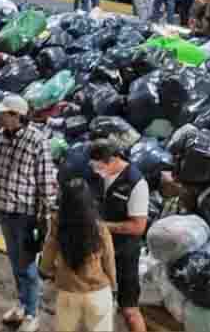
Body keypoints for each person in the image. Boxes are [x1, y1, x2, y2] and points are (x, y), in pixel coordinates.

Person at [0, 95, 57, 332]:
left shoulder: (37, 141)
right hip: (4, 209)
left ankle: (31, 313)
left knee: (27, 265)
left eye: (4, 114)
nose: (0, 117)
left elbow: (47, 182)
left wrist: (46, 218)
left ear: (17, 115)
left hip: (25, 214)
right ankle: (21, 303)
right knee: (15, 262)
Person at [39, 177, 116, 332]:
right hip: (98, 292)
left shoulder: (58, 224)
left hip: (68, 291)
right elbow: (109, 261)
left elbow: (47, 255)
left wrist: (49, 272)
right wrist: (113, 286)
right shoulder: (99, 227)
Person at [87, 139, 148, 332]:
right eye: (94, 166)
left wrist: (102, 226)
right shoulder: (97, 175)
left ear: (114, 160)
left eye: (101, 166)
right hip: (98, 250)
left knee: (129, 309)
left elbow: (138, 227)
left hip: (123, 254)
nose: (97, 170)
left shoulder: (135, 183)